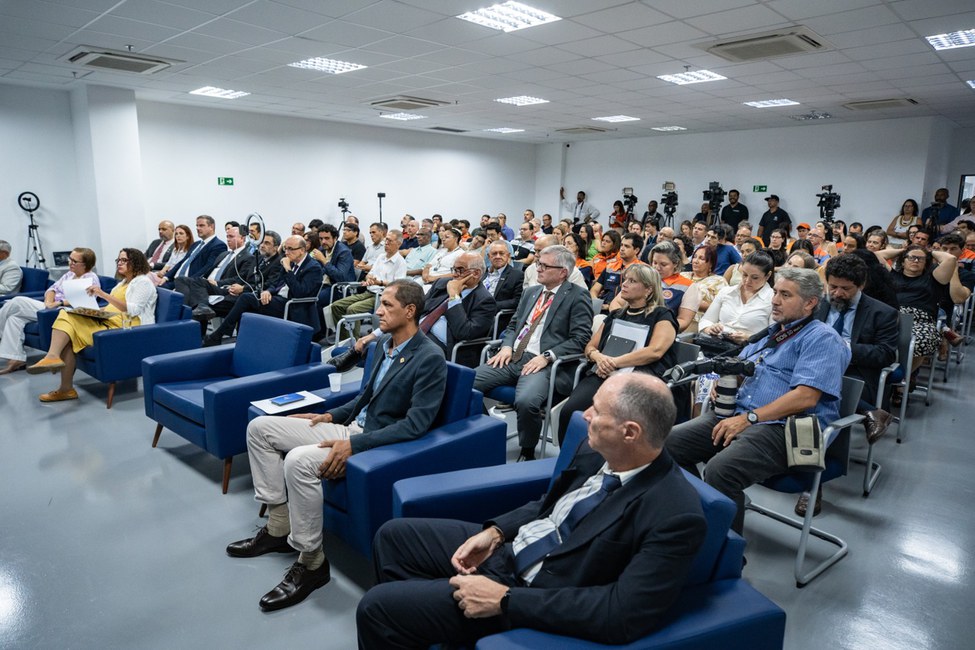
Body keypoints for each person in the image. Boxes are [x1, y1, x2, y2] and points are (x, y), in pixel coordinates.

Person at [357, 373, 707, 649]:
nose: (584, 414)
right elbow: (548, 505)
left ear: (630, 433)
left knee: (378, 609)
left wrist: (506, 600)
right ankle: (437, 631)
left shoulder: (675, 513)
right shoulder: (596, 450)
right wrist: (496, 533)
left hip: (535, 592)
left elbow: (622, 613)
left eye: (597, 411)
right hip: (513, 551)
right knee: (394, 537)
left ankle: (426, 620)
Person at [228, 279, 447, 612]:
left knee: (298, 461)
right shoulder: (382, 347)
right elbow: (364, 398)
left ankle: (312, 562)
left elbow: (416, 425)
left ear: (411, 310)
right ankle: (277, 527)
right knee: (259, 428)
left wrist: (356, 444)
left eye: (387, 305)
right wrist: (327, 416)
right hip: (351, 428)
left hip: (374, 441)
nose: (379, 311)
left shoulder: (430, 357)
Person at [666, 267, 849, 532]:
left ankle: (725, 553)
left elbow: (806, 396)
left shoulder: (822, 338)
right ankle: (702, 509)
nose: (774, 300)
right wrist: (729, 380)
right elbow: (746, 366)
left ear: (810, 303)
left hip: (784, 428)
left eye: (785, 295)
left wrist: (749, 418)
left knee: (721, 471)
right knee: (666, 445)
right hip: (740, 415)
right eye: (775, 292)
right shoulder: (773, 333)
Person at [473, 246, 593, 461]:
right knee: (466, 382)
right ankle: (485, 431)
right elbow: (513, 326)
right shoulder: (532, 292)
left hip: (543, 362)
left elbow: (580, 339)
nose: (538, 269)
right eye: (538, 264)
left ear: (563, 272)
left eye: (545, 266)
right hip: (513, 356)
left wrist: (547, 356)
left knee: (527, 401)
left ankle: (527, 450)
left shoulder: (577, 296)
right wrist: (507, 345)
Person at [558, 265, 677, 442]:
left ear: (648, 289)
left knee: (611, 421)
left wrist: (613, 362)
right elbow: (590, 347)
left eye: (632, 281)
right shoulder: (616, 315)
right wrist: (599, 357)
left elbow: (655, 351)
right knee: (570, 411)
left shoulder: (662, 315)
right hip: (604, 372)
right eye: (625, 280)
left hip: (637, 380)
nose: (624, 285)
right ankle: (570, 462)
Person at [26, 249, 157, 401]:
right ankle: (64, 383)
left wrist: (102, 294)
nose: (119, 263)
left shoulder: (143, 282)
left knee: (67, 319)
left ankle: (53, 360)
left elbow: (133, 309)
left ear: (136, 262)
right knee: (67, 315)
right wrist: (92, 310)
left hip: (127, 325)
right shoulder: (123, 282)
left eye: (124, 260)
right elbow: (110, 307)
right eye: (118, 260)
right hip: (109, 318)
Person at [818, 254, 898, 445]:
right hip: (816, 363)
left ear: (861, 285)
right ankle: (870, 411)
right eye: (833, 286)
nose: (837, 293)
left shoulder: (882, 313)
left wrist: (843, 348)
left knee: (812, 384)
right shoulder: (816, 304)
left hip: (855, 372)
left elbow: (885, 354)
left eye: (845, 288)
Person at [203, 235, 323, 345]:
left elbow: (300, 293)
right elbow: (275, 283)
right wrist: (268, 291)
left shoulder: (313, 267)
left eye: (291, 249)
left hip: (293, 305)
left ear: (302, 250)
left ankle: (219, 335)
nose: (286, 252)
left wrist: (288, 270)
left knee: (246, 299)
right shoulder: (290, 262)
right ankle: (241, 342)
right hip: (277, 299)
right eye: (286, 248)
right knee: (246, 304)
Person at [874, 245, 955, 400]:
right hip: (893, 317)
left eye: (920, 259)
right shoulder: (892, 275)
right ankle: (890, 376)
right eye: (911, 257)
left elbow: (950, 259)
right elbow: (878, 254)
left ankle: (902, 376)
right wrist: (903, 250)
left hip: (922, 320)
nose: (916, 260)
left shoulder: (934, 278)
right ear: (903, 261)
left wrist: (928, 252)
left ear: (927, 263)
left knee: (920, 340)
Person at [0, 248, 99, 375]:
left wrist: (59, 303)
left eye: (75, 261)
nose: (70, 263)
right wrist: (48, 302)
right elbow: (52, 289)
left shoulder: (90, 278)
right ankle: (16, 359)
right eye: (70, 259)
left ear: (85, 264)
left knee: (17, 301)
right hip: (50, 307)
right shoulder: (69, 275)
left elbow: (85, 299)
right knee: (15, 319)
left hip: (65, 311)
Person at [415, 253, 495, 367]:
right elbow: (421, 308)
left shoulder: (485, 301)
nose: (454, 275)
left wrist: (454, 298)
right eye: (454, 269)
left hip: (445, 346)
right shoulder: (442, 283)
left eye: (460, 270)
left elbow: (464, 332)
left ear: (476, 273)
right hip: (419, 330)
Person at [330, 230, 408, 338]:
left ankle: (355, 343)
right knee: (336, 306)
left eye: (390, 241)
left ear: (398, 244)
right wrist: (369, 279)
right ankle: (346, 338)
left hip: (381, 296)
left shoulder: (400, 262)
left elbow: (398, 285)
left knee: (353, 309)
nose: (386, 243)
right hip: (369, 291)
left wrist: (379, 282)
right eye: (386, 241)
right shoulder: (381, 257)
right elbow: (369, 274)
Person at [174, 225, 255, 317]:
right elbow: (209, 271)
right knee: (180, 279)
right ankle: (193, 309)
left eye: (231, 237)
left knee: (196, 285)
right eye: (227, 236)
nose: (228, 239)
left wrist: (217, 283)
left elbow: (240, 279)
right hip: (206, 284)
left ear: (242, 238)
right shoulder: (224, 254)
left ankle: (195, 309)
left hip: (221, 288)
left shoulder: (248, 257)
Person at [700, 251, 775, 345]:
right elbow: (706, 320)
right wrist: (710, 328)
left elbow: (773, 336)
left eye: (755, 278)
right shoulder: (726, 292)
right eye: (744, 275)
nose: (747, 281)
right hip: (716, 345)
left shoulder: (773, 299)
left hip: (750, 352)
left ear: (767, 276)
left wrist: (750, 338)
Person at [649, 241, 698, 333]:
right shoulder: (644, 277)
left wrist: (659, 328)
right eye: (654, 262)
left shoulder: (687, 286)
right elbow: (618, 302)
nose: (657, 268)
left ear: (675, 263)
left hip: (663, 334)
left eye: (663, 264)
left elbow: (684, 320)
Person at [163, 215, 226, 286]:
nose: (198, 228)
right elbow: (182, 262)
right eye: (197, 226)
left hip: (190, 283)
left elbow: (208, 268)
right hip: (176, 280)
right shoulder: (196, 244)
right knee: (157, 287)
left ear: (211, 227)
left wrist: (188, 281)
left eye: (201, 225)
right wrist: (166, 277)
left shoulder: (218, 245)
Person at [680, 244, 728, 333]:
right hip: (675, 316)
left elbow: (723, 309)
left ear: (711, 264)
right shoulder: (682, 275)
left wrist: (695, 303)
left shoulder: (719, 281)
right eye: (694, 257)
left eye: (701, 258)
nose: (695, 261)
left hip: (698, 322)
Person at [590, 233, 644, 311]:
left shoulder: (642, 270)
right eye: (621, 245)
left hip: (624, 312)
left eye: (626, 246)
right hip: (602, 308)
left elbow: (638, 298)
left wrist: (610, 306)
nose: (622, 248)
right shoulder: (610, 266)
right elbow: (594, 290)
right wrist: (596, 303)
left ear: (636, 250)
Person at [482, 242, 524, 311]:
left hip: (495, 314)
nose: (498, 256)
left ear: (508, 256)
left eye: (501, 253)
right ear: (489, 256)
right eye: (494, 254)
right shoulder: (482, 273)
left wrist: (491, 305)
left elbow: (517, 301)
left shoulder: (517, 275)